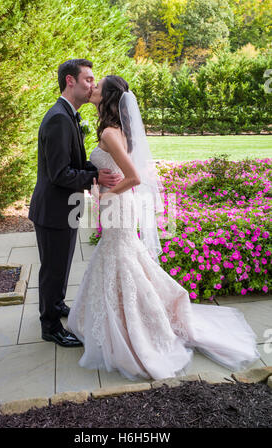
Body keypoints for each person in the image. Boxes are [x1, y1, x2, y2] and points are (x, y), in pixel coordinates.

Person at [67, 75, 260, 381]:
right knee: (122, 258)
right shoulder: (116, 130)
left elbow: (133, 178)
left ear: (108, 98)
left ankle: (142, 325)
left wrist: (105, 194)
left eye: (98, 87)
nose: (92, 89)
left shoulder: (109, 133)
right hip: (120, 205)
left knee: (122, 260)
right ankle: (124, 319)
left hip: (119, 203)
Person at [28, 60, 123, 348]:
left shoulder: (68, 115)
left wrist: (91, 172)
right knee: (53, 268)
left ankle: (55, 306)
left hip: (63, 208)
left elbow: (71, 163)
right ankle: (50, 325)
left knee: (60, 265)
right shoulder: (59, 118)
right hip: (53, 209)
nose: (93, 85)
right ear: (70, 81)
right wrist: (94, 175)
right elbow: (59, 173)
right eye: (88, 79)